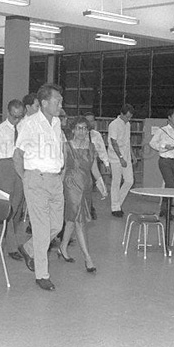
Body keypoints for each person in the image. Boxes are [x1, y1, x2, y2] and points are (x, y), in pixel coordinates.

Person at [13, 83, 65, 291]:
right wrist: (26, 178)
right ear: (44, 103)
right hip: (36, 179)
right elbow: (17, 155)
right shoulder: (29, 124)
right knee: (43, 230)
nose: (61, 104)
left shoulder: (57, 123)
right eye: (57, 100)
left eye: (61, 101)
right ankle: (42, 275)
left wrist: (60, 173)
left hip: (55, 180)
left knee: (56, 226)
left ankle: (28, 248)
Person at [58, 116, 106, 273]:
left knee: (72, 219)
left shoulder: (91, 147)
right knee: (79, 220)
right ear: (73, 130)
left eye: (85, 128)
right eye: (79, 128)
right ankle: (88, 258)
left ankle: (62, 247)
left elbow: (94, 169)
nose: (82, 131)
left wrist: (101, 184)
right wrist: (58, 188)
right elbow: (63, 169)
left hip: (86, 186)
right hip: (71, 185)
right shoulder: (66, 146)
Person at [0, 99, 25, 261]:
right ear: (8, 113)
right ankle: (12, 246)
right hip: (4, 168)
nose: (17, 120)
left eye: (20, 116)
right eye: (14, 116)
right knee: (7, 208)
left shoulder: (25, 128)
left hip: (21, 168)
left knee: (17, 208)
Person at [149, 109, 174, 217]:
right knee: (169, 184)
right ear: (169, 117)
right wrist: (164, 146)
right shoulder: (163, 130)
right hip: (165, 160)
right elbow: (152, 143)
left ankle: (164, 209)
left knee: (171, 186)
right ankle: (167, 210)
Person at [107, 104, 136, 218]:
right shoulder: (114, 125)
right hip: (115, 157)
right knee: (116, 182)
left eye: (130, 117)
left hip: (126, 156)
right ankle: (115, 208)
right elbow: (114, 143)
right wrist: (120, 158)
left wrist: (132, 155)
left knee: (129, 181)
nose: (128, 119)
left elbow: (128, 141)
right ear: (121, 114)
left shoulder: (128, 124)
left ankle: (117, 203)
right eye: (127, 117)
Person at [84, 112, 109, 220]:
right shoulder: (78, 134)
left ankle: (89, 208)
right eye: (87, 120)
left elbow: (102, 149)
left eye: (92, 120)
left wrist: (106, 163)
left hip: (91, 163)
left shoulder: (96, 135)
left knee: (89, 188)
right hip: (78, 167)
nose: (90, 123)